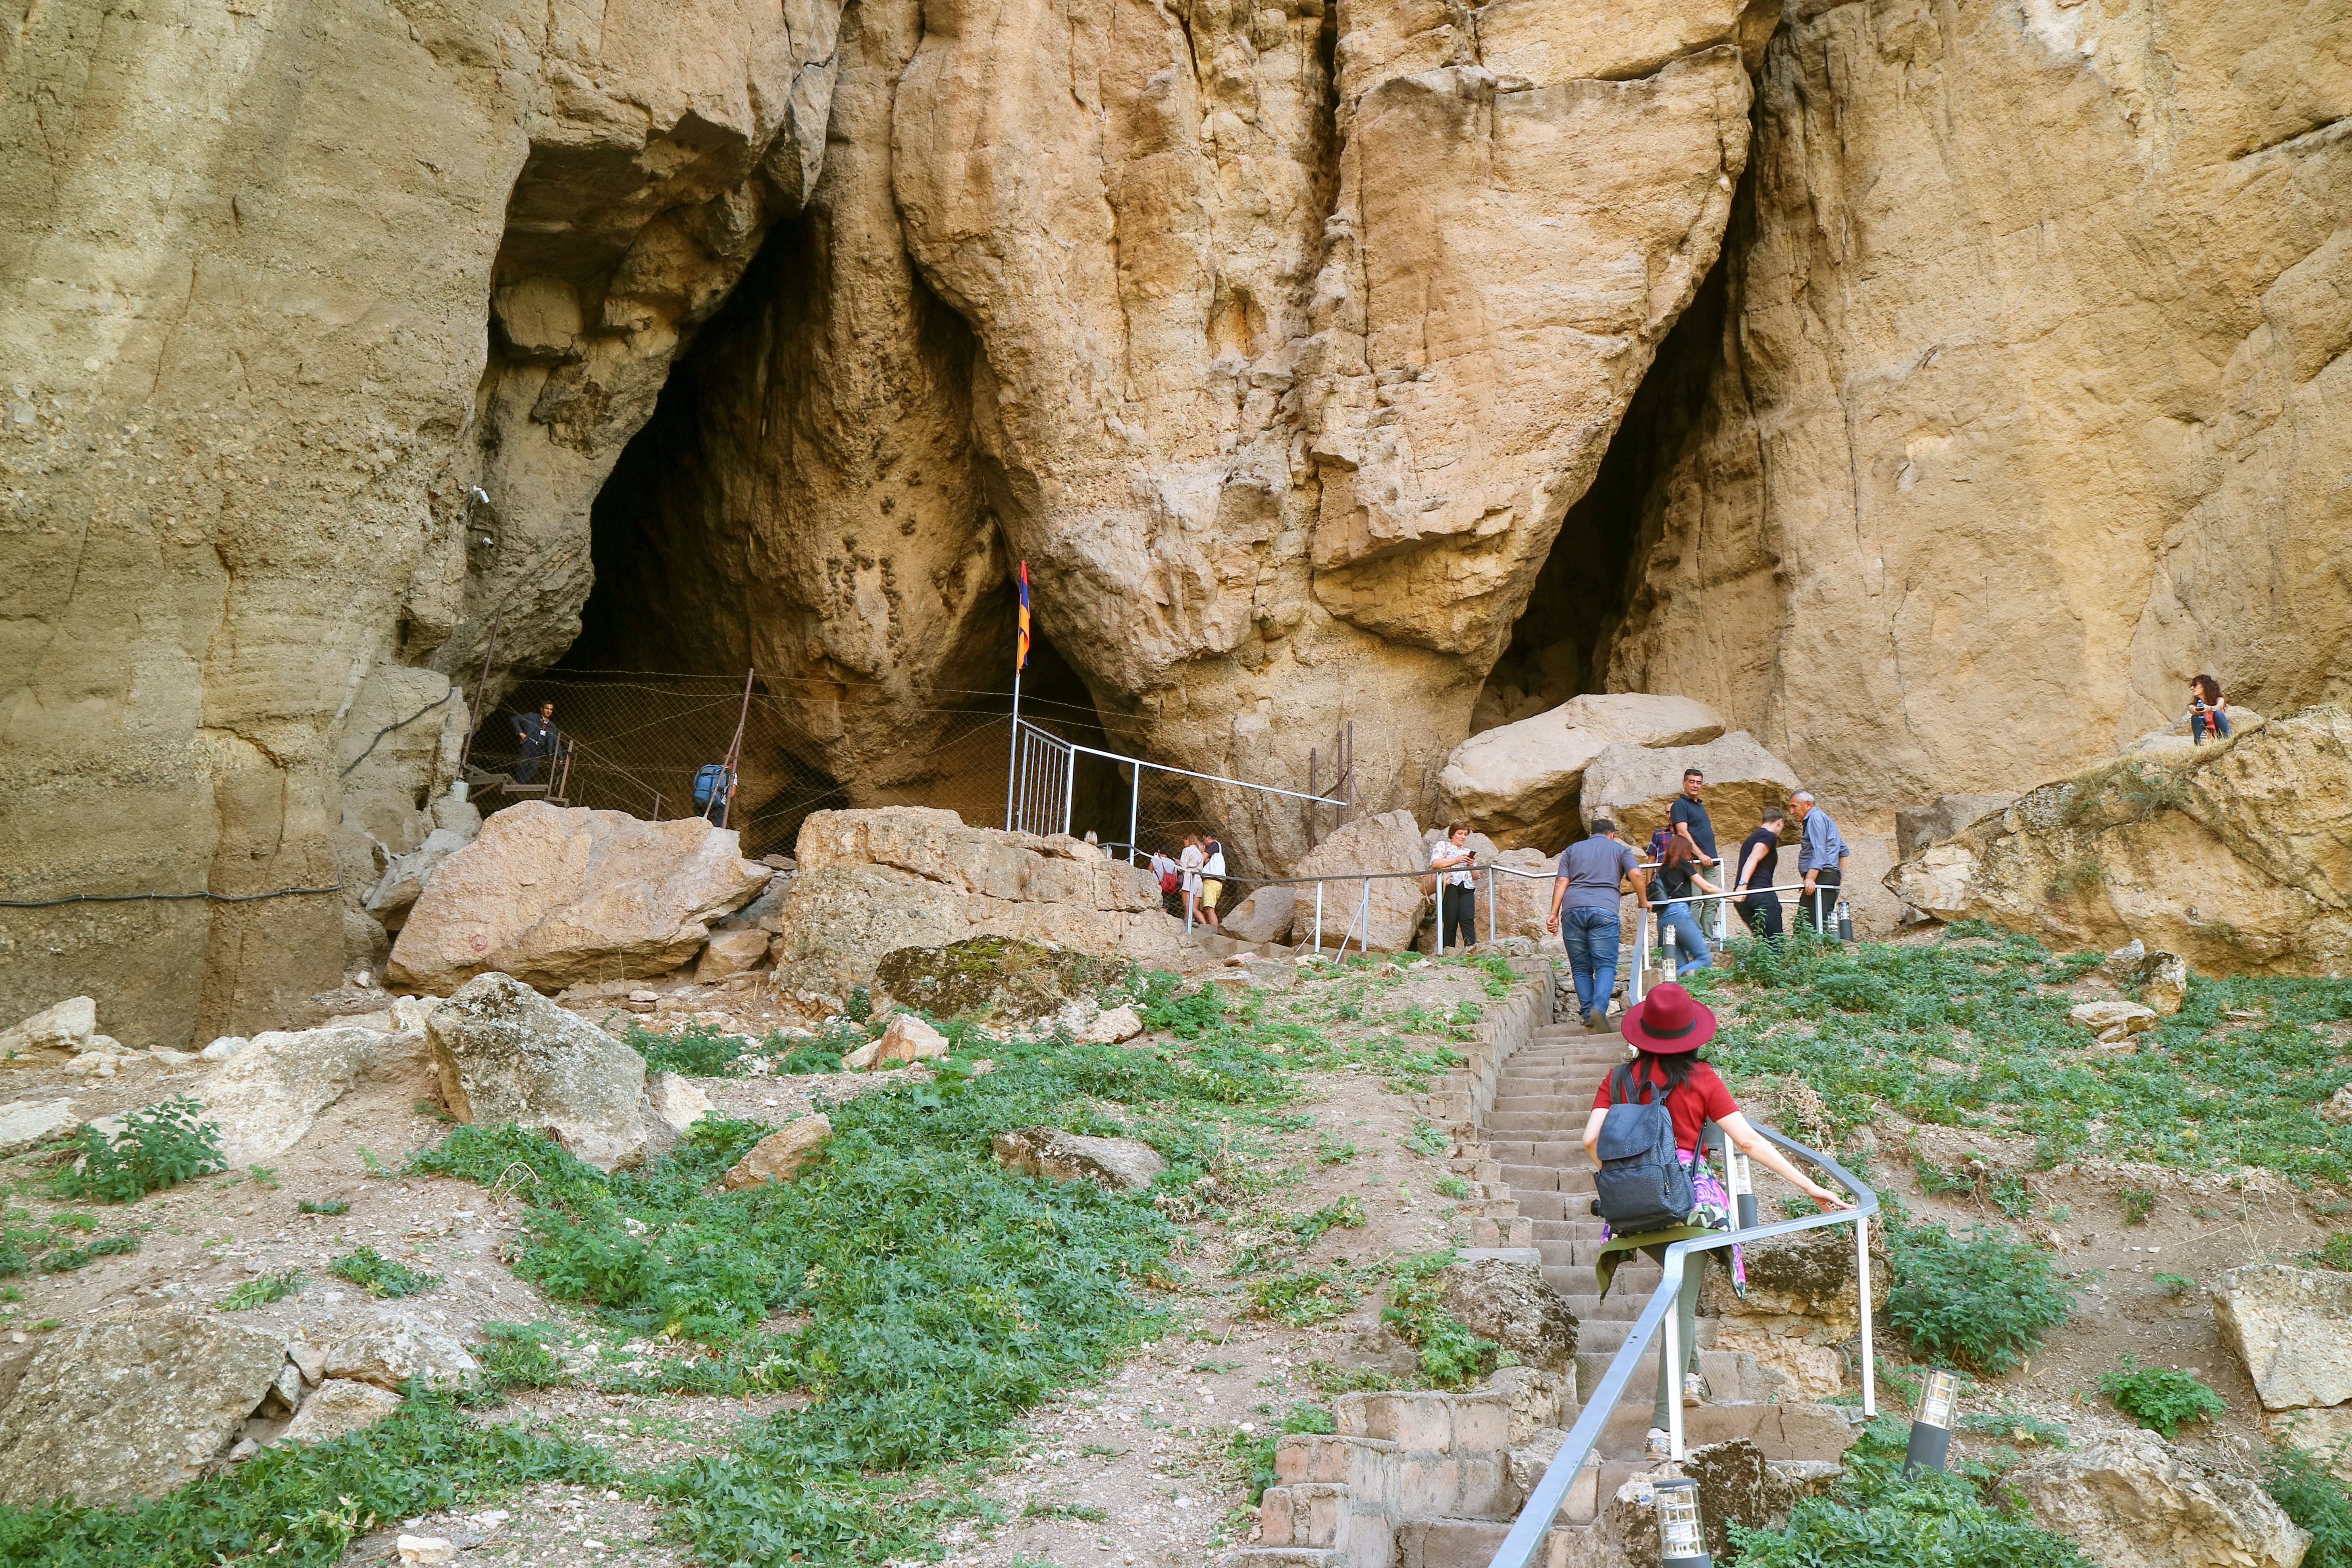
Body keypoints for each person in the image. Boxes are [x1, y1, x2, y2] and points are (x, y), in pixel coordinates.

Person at [1581, 982, 1853, 1459]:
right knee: (1680, 1306)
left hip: (1630, 1213)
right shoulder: (1703, 1078)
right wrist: (1810, 1185)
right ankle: (1664, 1429)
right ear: (1690, 1036)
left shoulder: (1618, 1077)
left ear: (1644, 1033)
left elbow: (1590, 1139)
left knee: (1678, 1293)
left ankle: (1692, 1377)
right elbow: (1748, 1142)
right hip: (1690, 1210)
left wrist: (1622, 1179)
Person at [1546, 819, 1649, 1030]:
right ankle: (1599, 1009)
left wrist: (1554, 913)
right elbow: (1637, 874)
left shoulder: (1573, 850)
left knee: (1581, 968)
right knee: (1605, 965)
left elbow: (1561, 881)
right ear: (1612, 834)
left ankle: (1588, 1015)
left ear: (1591, 833)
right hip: (1604, 910)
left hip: (1572, 910)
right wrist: (1643, 901)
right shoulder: (1620, 850)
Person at [1648, 838, 1719, 974]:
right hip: (1679, 914)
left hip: (1663, 919)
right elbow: (1707, 887)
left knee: (1680, 966)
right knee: (1704, 959)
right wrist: (1732, 896)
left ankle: (1677, 986)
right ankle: (1670, 981)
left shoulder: (1662, 870)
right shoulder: (1682, 863)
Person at [1787, 790, 1850, 934]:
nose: (1791, 812)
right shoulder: (1823, 819)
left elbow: (1819, 851)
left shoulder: (1815, 818)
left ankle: (1813, 955)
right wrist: (1837, 879)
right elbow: (1844, 851)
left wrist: (1811, 878)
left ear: (1808, 805)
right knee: (1817, 922)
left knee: (1805, 926)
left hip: (1822, 876)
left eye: (1794, 806)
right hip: (1826, 877)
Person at [1731, 807, 1788, 941]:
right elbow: (1753, 858)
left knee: (1763, 944)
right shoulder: (1769, 836)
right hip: (1761, 895)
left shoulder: (1750, 839)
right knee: (1775, 944)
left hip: (1743, 901)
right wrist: (1743, 884)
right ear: (1780, 822)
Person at [1432, 825, 1479, 952]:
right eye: (1460, 833)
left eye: (1465, 834)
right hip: (1450, 886)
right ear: (1452, 834)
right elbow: (1436, 864)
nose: (1463, 837)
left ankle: (1471, 951)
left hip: (1467, 887)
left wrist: (1471, 865)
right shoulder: (1443, 846)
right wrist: (1457, 859)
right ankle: (1447, 952)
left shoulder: (1467, 850)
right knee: (1450, 921)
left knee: (1467, 919)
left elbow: (1476, 876)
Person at [509, 701, 558, 784]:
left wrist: (560, 757)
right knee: (522, 765)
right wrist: (520, 732)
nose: (549, 711)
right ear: (542, 709)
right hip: (529, 743)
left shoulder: (552, 726)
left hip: (540, 749)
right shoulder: (532, 716)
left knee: (534, 768)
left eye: (551, 709)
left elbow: (555, 741)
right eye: (547, 708)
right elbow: (515, 719)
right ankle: (514, 785)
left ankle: (517, 785)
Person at [2185, 674, 2233, 744]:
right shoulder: (2195, 705)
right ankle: (2200, 744)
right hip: (2208, 736)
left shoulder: (2219, 699)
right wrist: (2195, 710)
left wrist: (2210, 708)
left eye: (2195, 685)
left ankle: (2228, 740)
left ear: (2205, 686)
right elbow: (2192, 709)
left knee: (2218, 714)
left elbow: (2219, 707)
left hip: (2220, 733)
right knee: (2196, 718)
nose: (2192, 688)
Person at [1199, 836, 1226, 929]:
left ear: (1208, 837)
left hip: (1210, 882)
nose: (1204, 842)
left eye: (1204, 839)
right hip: (1218, 883)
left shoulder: (1214, 845)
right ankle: (1207, 927)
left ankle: (1214, 930)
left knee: (1209, 908)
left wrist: (1203, 854)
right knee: (1207, 908)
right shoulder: (1221, 848)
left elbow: (1202, 858)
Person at [1179, 834, 1206, 926]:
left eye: (1185, 841)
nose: (1184, 843)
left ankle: (1188, 924)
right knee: (1194, 907)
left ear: (1189, 841)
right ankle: (1205, 925)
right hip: (1199, 879)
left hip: (1189, 877)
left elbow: (1183, 867)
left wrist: (1178, 864)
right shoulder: (1200, 853)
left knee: (1187, 905)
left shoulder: (1187, 850)